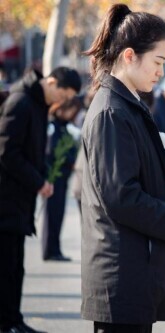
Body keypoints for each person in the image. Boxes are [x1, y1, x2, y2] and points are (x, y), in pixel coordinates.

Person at [80, 4, 165, 332]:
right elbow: (122, 197)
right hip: (120, 273)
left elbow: (149, 182)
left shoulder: (128, 106)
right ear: (130, 55)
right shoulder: (112, 113)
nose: (161, 72)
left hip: (133, 272)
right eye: (158, 62)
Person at [0, 66, 81, 333]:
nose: (61, 102)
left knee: (15, 267)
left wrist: (43, 176)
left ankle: (14, 320)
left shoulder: (36, 104)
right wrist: (38, 181)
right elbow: (7, 152)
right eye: (62, 94)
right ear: (51, 81)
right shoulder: (21, 101)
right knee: (7, 266)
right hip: (7, 201)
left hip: (19, 201)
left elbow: (33, 151)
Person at [41, 96, 83, 261]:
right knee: (52, 215)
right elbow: (51, 151)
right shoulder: (53, 125)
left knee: (58, 215)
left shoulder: (65, 126)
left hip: (62, 177)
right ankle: (49, 250)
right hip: (54, 177)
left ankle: (55, 248)